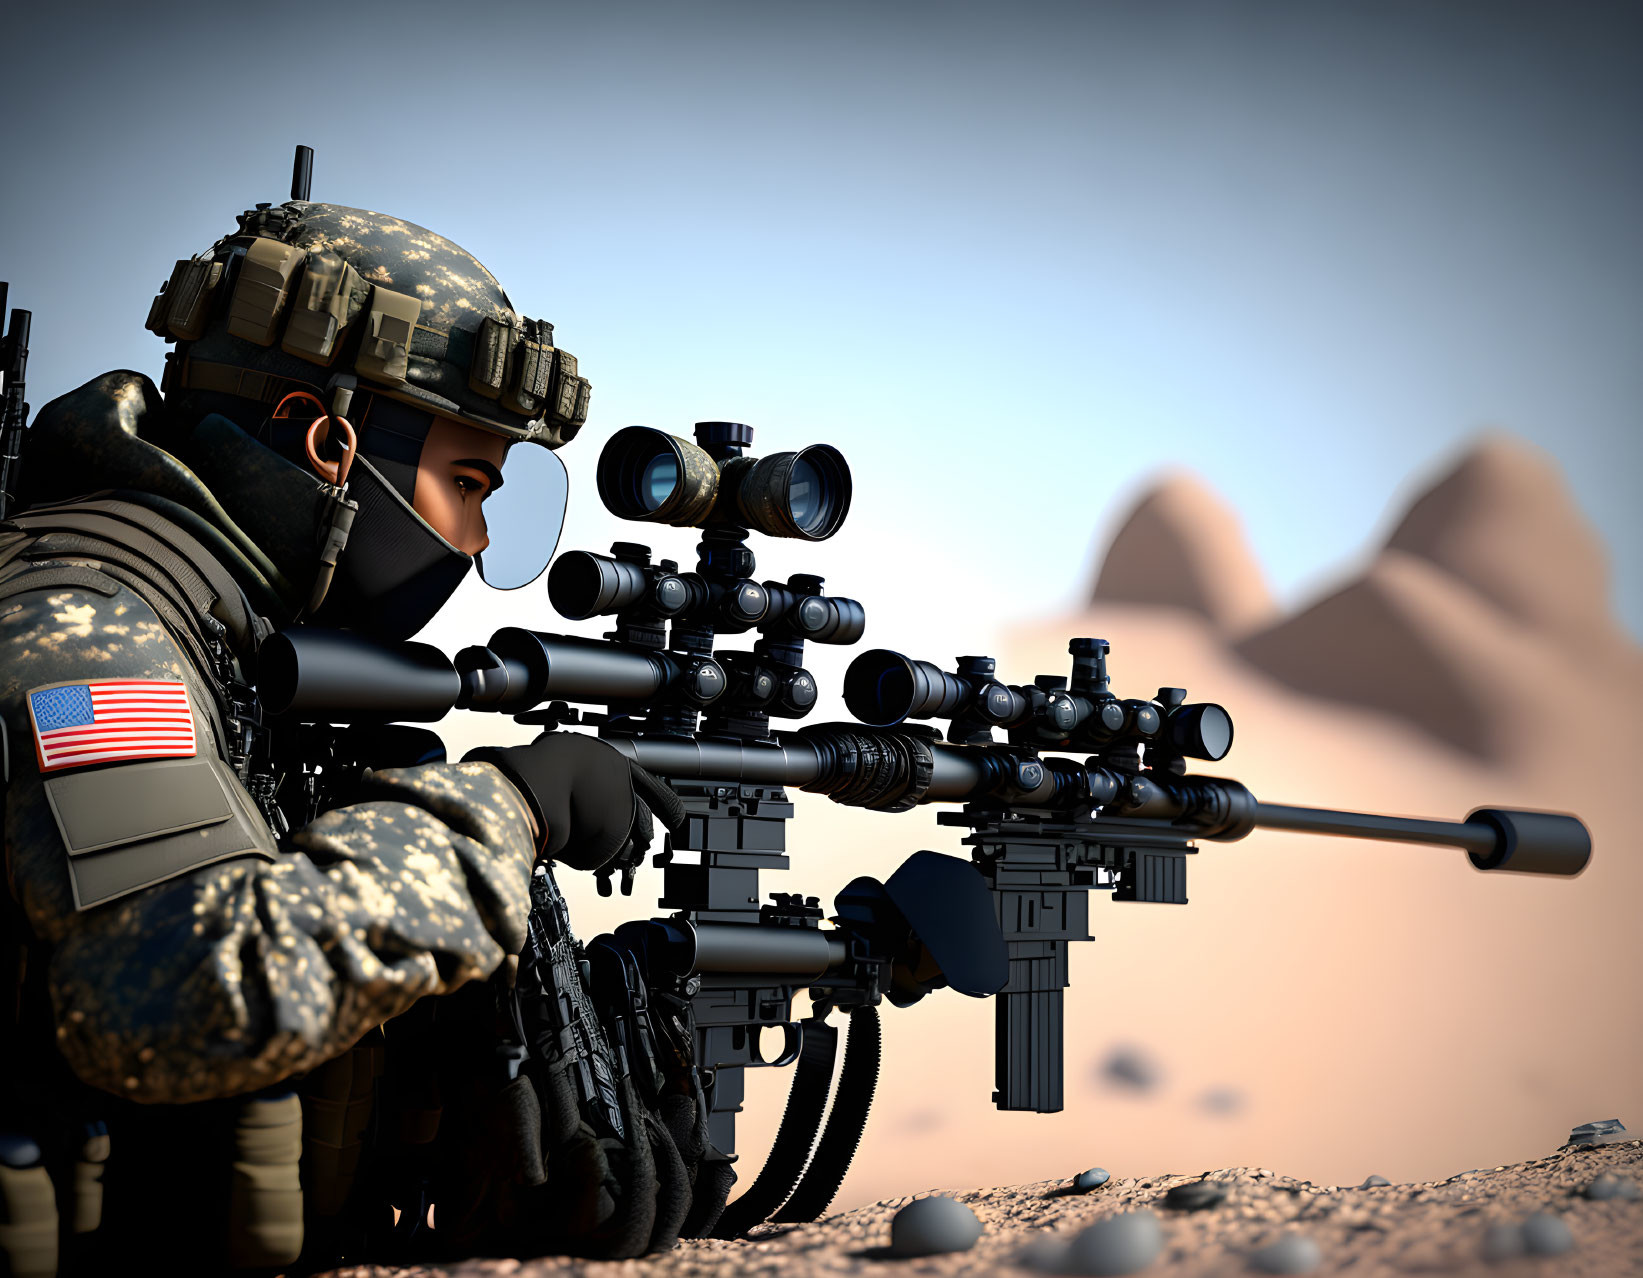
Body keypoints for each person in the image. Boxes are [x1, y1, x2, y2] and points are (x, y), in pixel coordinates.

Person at [0, 192, 702, 1274]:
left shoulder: (228, 631)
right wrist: (503, 814)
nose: (470, 541)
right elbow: (175, 996)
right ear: (328, 442)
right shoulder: (82, 615)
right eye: (465, 484)